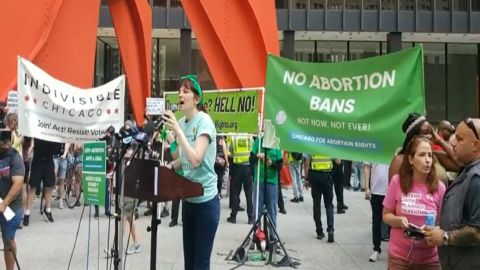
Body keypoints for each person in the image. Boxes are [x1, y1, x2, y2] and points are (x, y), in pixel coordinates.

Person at [162, 75, 219, 270]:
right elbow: (180, 158)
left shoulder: (204, 121)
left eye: (185, 91)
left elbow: (195, 160)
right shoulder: (182, 123)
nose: (180, 94)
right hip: (189, 201)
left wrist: (178, 131)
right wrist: (170, 141)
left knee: (200, 264)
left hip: (206, 202)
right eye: (179, 91)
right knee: (189, 264)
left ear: (196, 99)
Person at [423, 118, 480, 269]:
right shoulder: (467, 169)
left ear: (476, 145)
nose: (453, 143)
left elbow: (477, 232)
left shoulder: (476, 179)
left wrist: (444, 237)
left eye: (460, 139)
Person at [383, 136, 446, 269]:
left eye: (430, 155)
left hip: (429, 260)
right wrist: (400, 221)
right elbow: (386, 215)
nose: (428, 160)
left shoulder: (439, 187)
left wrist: (434, 231)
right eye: (422, 155)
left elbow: (442, 224)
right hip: (400, 258)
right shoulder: (397, 182)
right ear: (411, 159)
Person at [389, 113, 459, 184]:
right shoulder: (400, 160)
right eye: (425, 132)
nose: (430, 136)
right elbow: (394, 191)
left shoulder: (435, 156)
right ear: (414, 136)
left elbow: (459, 163)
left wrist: (439, 140)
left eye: (431, 132)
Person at [0, 130, 25, 270]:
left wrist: (4, 203)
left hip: (11, 206)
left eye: (7, 139)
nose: (5, 142)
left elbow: (18, 183)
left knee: (8, 240)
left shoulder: (14, 157)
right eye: (2, 139)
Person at [249, 137, 283, 241]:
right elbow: (250, 159)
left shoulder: (276, 142)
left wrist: (271, 164)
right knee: (257, 210)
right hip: (259, 180)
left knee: (272, 211)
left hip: (271, 182)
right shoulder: (258, 142)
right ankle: (257, 237)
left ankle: (273, 238)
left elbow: (280, 165)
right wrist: (256, 156)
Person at [24, 138, 61, 225]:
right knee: (33, 187)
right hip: (37, 161)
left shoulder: (52, 133)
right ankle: (27, 213)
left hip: (48, 161)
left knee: (49, 187)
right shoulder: (38, 131)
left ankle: (47, 210)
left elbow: (56, 150)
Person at [304, 154, 337, 242]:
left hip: (315, 176)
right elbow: (338, 161)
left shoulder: (311, 143)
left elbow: (307, 163)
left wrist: (306, 178)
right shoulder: (329, 143)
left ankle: (319, 231)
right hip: (327, 176)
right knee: (329, 204)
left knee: (316, 204)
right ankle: (330, 229)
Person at [364, 162, 390, 262]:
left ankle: (394, 250)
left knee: (392, 223)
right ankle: (376, 249)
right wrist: (366, 187)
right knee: (376, 221)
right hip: (376, 191)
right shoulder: (374, 148)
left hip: (391, 191)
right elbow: (367, 166)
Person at [227, 134, 253, 224]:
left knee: (235, 193)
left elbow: (230, 153)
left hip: (237, 169)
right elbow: (253, 152)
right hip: (247, 169)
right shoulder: (249, 137)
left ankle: (233, 217)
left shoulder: (235, 138)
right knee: (249, 194)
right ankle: (251, 218)